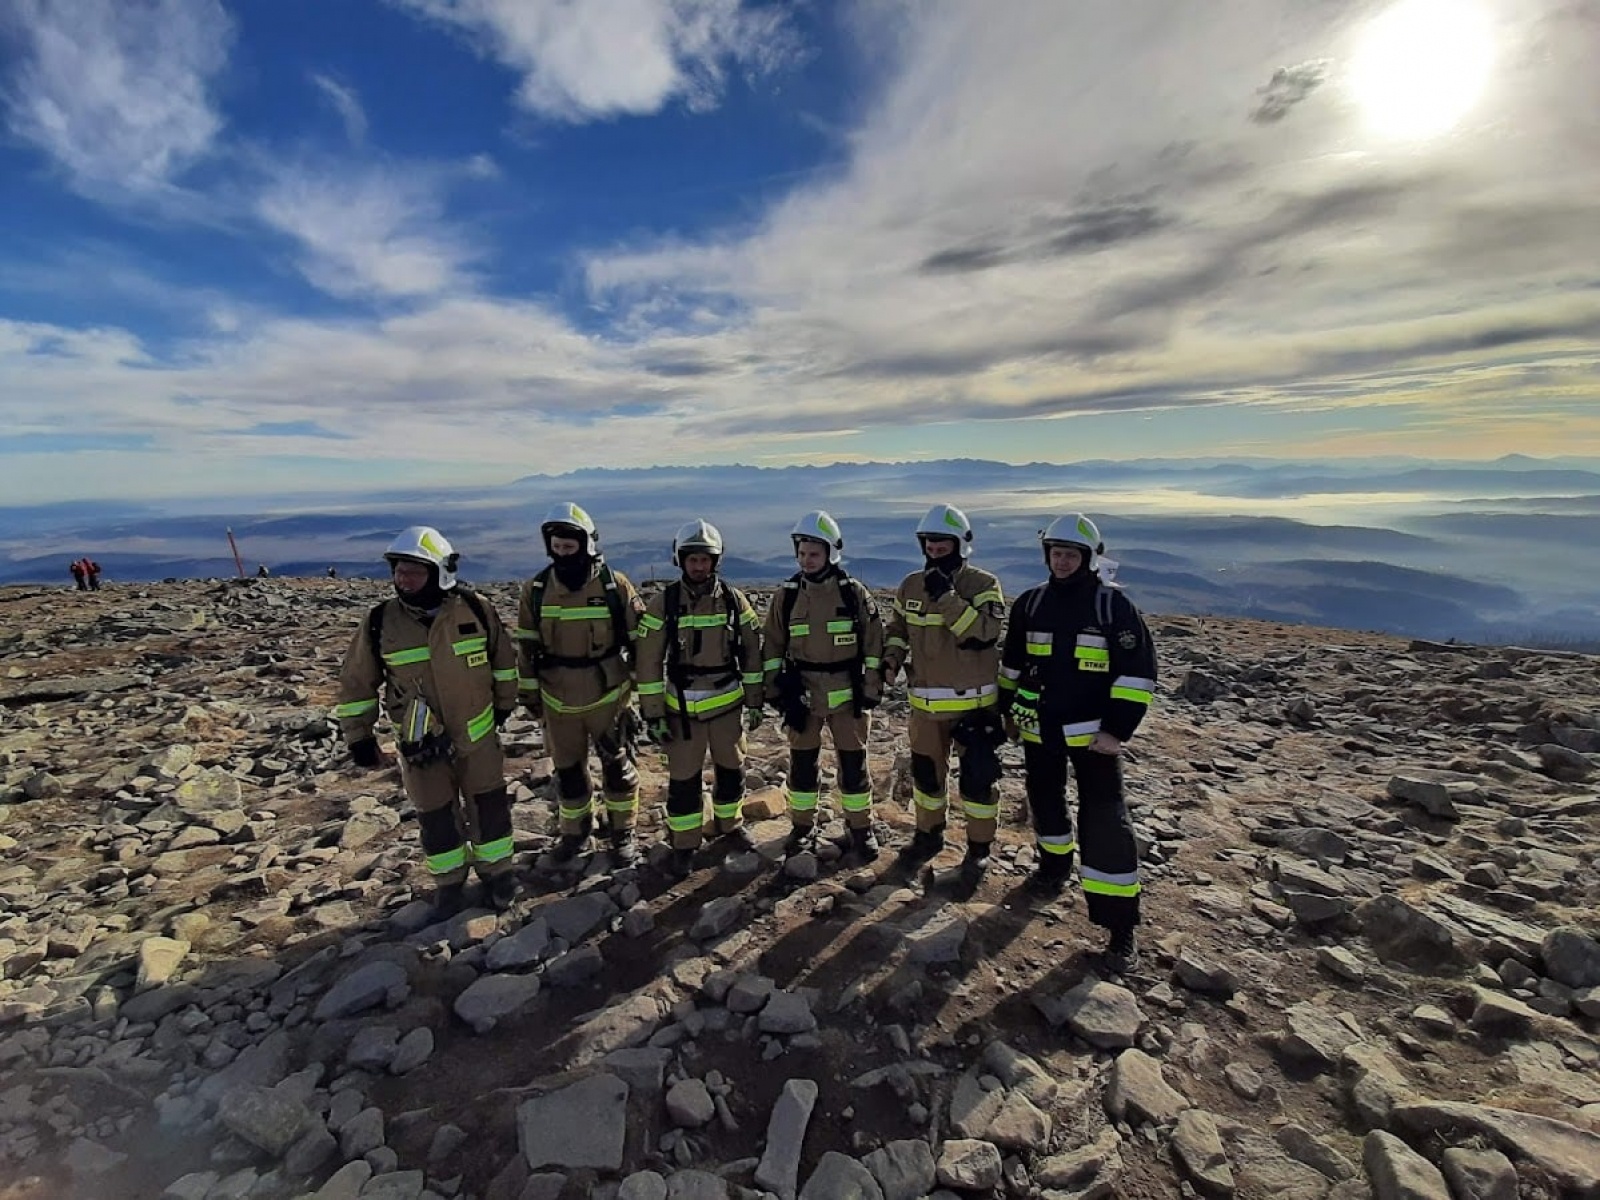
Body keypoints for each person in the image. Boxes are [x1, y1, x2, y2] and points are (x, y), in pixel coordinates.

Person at [997, 514, 1157, 973]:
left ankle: (1120, 925)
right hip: (1040, 729)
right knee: (1045, 804)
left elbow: (1137, 673)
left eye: (1071, 554)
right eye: (1056, 552)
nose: (1062, 561)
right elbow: (1012, 665)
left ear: (1088, 557)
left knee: (1105, 822)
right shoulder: (1030, 604)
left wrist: (1116, 730)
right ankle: (1053, 870)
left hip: (1094, 738)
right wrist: (1004, 711)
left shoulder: (1112, 608)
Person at [334, 526, 521, 915]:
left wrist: (504, 706)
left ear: (439, 572)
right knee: (436, 817)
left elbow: (503, 662)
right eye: (400, 571)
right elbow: (356, 682)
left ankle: (498, 874)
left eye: (414, 571)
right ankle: (450, 884)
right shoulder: (380, 622)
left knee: (489, 808)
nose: (404, 579)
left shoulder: (475, 609)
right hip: (421, 746)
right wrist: (360, 737)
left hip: (479, 736)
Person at [883, 504, 1007, 888]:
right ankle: (928, 835)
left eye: (942, 544)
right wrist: (889, 661)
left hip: (975, 709)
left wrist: (948, 597)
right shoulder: (909, 585)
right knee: (926, 779)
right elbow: (898, 629)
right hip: (924, 708)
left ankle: (979, 850)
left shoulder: (983, 584)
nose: (935, 549)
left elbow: (983, 633)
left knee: (977, 783)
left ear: (960, 544)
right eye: (929, 544)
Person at [516, 503, 644, 866]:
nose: (562, 553)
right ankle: (575, 834)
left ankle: (623, 833)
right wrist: (529, 694)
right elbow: (526, 647)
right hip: (557, 700)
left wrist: (638, 690)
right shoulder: (537, 590)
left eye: (569, 547)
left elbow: (640, 642)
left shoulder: (613, 586)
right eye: (556, 546)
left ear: (586, 544)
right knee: (568, 774)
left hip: (608, 696)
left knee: (618, 770)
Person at [635, 520, 765, 878]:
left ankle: (730, 826)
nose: (698, 566)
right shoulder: (665, 603)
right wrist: (653, 714)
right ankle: (684, 844)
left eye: (705, 560)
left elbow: (753, 653)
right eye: (691, 560)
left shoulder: (734, 602)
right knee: (684, 780)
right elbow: (648, 662)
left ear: (716, 561)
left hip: (726, 705)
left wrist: (755, 700)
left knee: (731, 770)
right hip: (681, 713)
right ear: (680, 561)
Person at [762, 511, 885, 860]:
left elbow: (874, 643)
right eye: (801, 553)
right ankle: (802, 827)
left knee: (854, 765)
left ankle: (860, 828)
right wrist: (777, 691)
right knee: (802, 765)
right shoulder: (786, 596)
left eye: (813, 553)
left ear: (830, 553)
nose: (806, 559)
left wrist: (871, 687)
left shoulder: (852, 593)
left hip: (848, 696)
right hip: (803, 696)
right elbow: (771, 646)